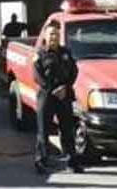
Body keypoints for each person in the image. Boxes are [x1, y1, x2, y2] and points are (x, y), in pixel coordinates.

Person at [33, 21, 83, 175]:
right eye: (51, 34)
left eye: (56, 34)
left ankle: (72, 162)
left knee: (67, 130)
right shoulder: (39, 55)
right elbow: (37, 77)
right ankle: (41, 161)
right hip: (47, 97)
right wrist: (53, 89)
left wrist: (66, 87)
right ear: (46, 37)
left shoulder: (65, 53)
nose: (54, 37)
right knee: (44, 131)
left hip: (64, 96)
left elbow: (74, 71)